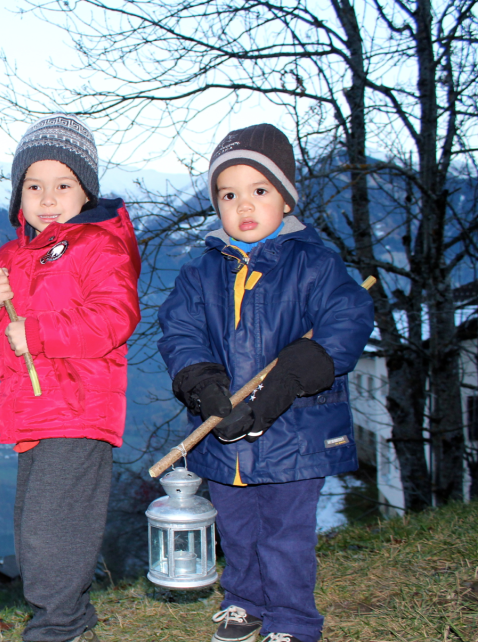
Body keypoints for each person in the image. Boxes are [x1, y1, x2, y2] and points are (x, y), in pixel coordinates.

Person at [157, 123, 375, 642]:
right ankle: (245, 604)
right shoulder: (200, 272)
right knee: (236, 527)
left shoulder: (314, 264)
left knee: (284, 532)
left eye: (260, 191)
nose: (244, 205)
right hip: (223, 429)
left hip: (293, 432)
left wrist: (295, 373)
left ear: (286, 198)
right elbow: (180, 332)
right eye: (228, 194)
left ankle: (292, 622)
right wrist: (203, 383)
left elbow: (347, 322)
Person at [0, 114, 141, 642]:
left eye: (62, 185)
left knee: (51, 531)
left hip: (80, 408)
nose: (46, 197)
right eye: (34, 185)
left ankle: (57, 628)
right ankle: (71, 620)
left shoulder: (99, 246)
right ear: (19, 194)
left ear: (85, 191)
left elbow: (114, 319)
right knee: (33, 527)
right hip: (32, 413)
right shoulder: (13, 255)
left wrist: (36, 333)